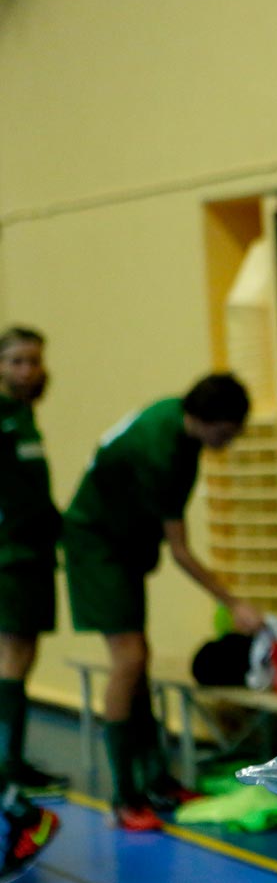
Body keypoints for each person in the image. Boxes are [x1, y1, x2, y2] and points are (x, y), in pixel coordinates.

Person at [63, 373, 265, 831]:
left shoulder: (179, 425)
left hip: (123, 547)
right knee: (129, 659)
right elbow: (181, 550)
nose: (229, 441)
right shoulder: (161, 450)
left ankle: (156, 778)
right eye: (228, 432)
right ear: (208, 420)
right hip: (96, 548)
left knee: (139, 659)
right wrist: (234, 603)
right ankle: (125, 797)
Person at [0, 326, 68, 794]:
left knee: (25, 654)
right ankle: (7, 765)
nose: (28, 370)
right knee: (12, 654)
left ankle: (13, 760)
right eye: (17, 360)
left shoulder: (26, 417)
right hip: (10, 555)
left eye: (35, 360)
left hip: (36, 554)